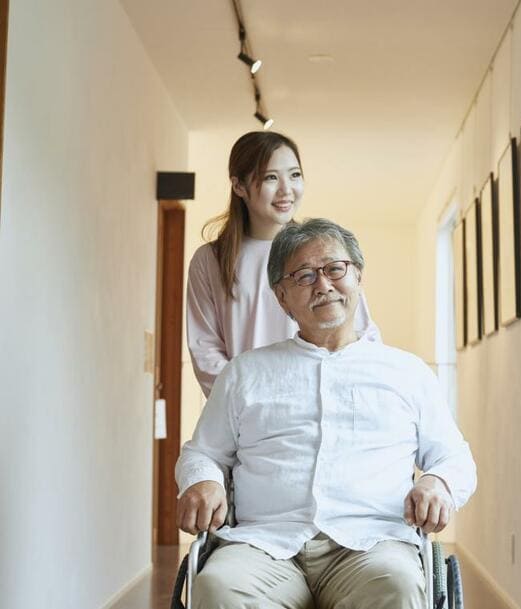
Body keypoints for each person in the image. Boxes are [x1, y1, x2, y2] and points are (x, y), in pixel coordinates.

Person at [176, 218, 477, 609]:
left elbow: (454, 457)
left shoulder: (407, 372)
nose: (323, 285)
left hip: (372, 544)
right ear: (281, 297)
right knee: (218, 586)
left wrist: (438, 483)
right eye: (303, 276)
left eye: (335, 269)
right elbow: (203, 453)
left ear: (358, 278)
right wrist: (203, 482)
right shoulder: (244, 373)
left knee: (400, 585)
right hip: (265, 543)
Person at [186, 131, 380, 396]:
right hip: (248, 411)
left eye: (295, 175)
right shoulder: (210, 260)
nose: (286, 190)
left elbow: (362, 331)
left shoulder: (324, 249)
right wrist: (246, 401)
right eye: (270, 177)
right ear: (239, 186)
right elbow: (205, 349)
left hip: (322, 401)